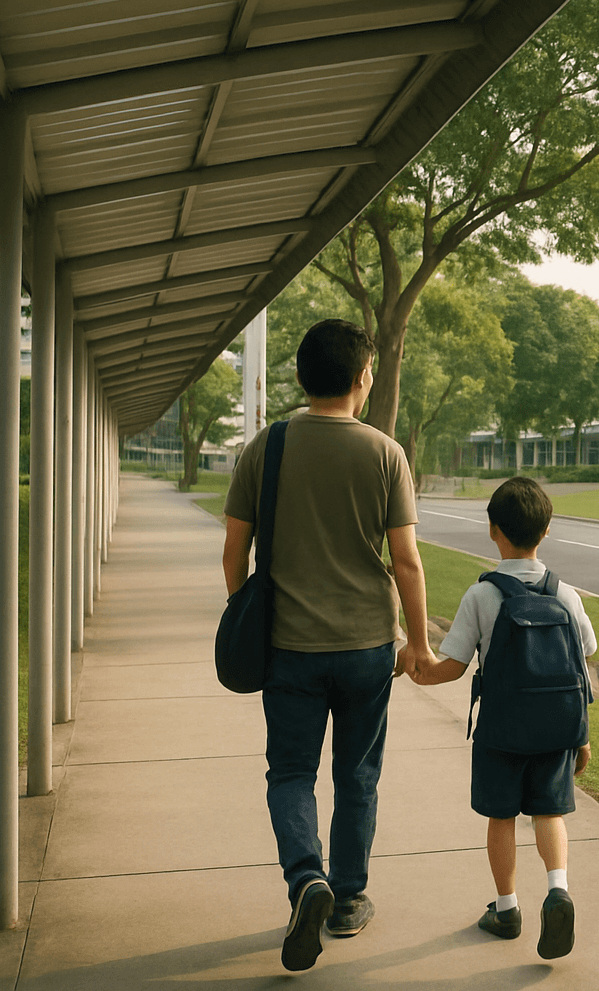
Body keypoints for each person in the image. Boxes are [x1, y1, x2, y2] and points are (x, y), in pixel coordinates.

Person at [222, 319, 429, 972]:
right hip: (368, 644)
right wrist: (417, 643)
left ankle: (306, 878)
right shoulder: (384, 452)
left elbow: (235, 551)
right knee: (357, 775)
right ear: (364, 378)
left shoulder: (267, 447)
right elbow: (406, 562)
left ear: (300, 378)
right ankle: (347, 899)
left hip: (288, 646)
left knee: (290, 773)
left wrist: (243, 610)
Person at [405, 476, 595, 960]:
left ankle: (507, 909)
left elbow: (451, 666)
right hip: (556, 731)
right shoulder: (566, 595)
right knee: (549, 812)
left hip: (501, 732)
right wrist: (583, 736)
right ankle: (558, 889)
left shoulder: (482, 595)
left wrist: (417, 671)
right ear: (546, 530)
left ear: (493, 530)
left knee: (501, 816)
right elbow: (582, 663)